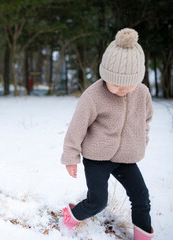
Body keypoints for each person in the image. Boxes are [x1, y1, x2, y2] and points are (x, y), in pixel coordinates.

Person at [60, 28, 154, 240]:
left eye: (128, 85)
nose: (122, 89)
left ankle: (143, 236)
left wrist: (141, 141)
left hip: (126, 157)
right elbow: (77, 127)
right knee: (98, 200)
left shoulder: (142, 93)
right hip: (97, 157)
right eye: (116, 84)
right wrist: (71, 157)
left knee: (141, 196)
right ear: (106, 75)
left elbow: (145, 120)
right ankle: (71, 216)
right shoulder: (93, 96)